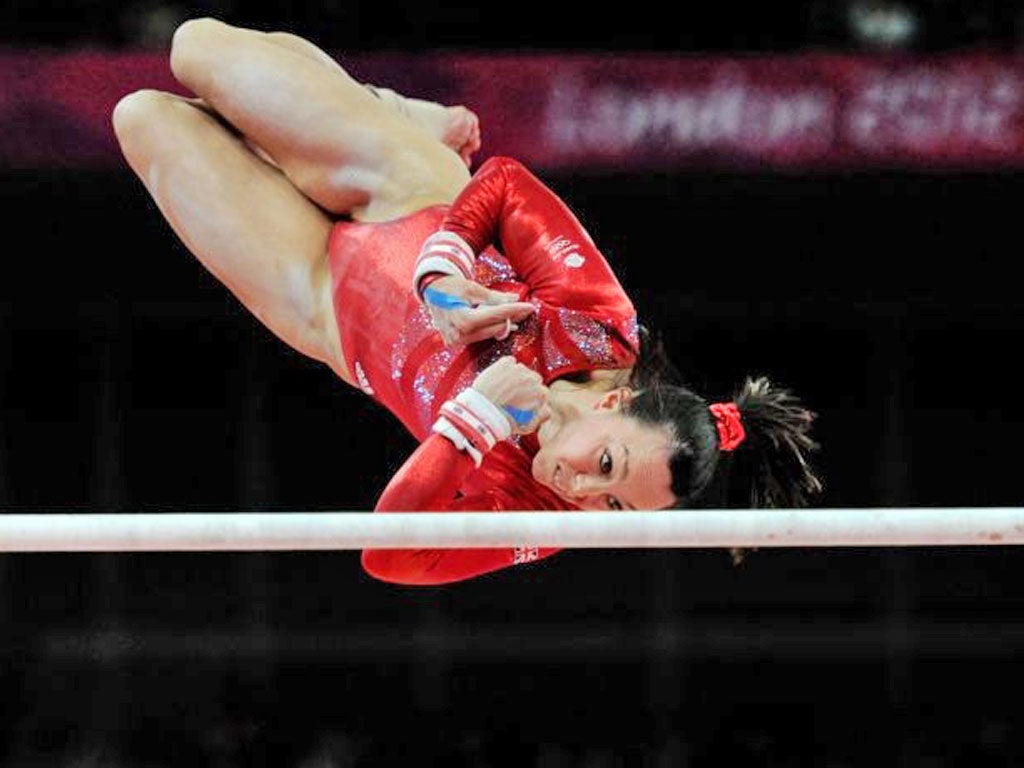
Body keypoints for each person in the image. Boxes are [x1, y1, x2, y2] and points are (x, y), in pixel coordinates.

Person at [111, 18, 823, 587]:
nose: (581, 492)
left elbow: (389, 559)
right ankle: (391, 116)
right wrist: (443, 278)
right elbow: (508, 183)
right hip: (403, 193)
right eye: (605, 469)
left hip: (328, 310)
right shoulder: (599, 328)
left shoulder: (537, 520)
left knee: (142, 116)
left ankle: (333, 113)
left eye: (612, 508)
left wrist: (473, 421)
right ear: (614, 403)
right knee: (193, 45)